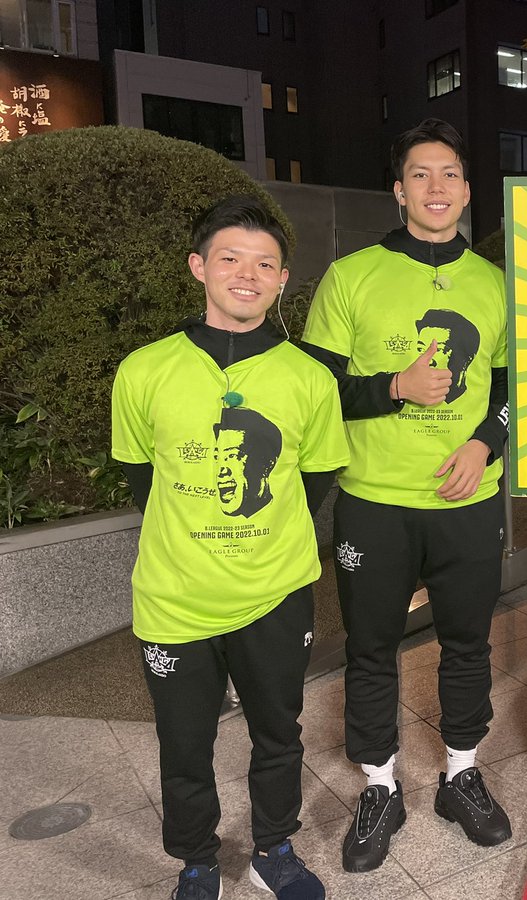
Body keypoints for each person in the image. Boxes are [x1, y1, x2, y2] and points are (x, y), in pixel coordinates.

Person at [111, 195, 349, 900]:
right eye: (231, 258)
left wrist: (261, 532)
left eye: (265, 264)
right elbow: (142, 479)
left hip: (276, 592)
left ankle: (275, 848)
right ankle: (196, 860)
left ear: (282, 280)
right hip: (174, 599)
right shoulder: (144, 371)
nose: (248, 275)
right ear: (199, 267)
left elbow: (315, 478)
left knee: (279, 732)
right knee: (184, 744)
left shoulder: (310, 378)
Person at [301, 117, 512, 874]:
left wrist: (485, 443)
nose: (436, 187)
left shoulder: (495, 285)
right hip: (375, 501)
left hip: (469, 500)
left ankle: (462, 775)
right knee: (371, 648)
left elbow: (513, 388)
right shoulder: (351, 276)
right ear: (398, 190)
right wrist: (394, 386)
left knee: (468, 643)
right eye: (420, 174)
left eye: (450, 173)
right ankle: (380, 787)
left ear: (467, 190)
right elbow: (314, 391)